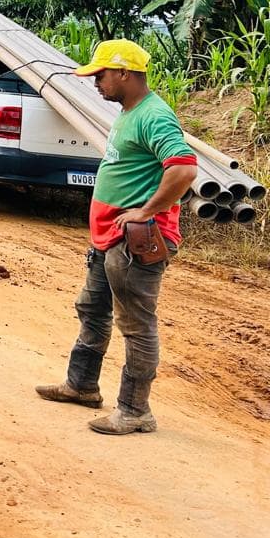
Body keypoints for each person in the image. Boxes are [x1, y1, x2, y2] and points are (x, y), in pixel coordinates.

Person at [35, 39, 197, 435]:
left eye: (101, 74)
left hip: (135, 241)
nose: (95, 82)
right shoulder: (129, 113)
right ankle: (81, 385)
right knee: (91, 308)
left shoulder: (154, 116)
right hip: (108, 238)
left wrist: (145, 211)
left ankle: (135, 410)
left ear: (125, 73)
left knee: (137, 325)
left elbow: (184, 170)